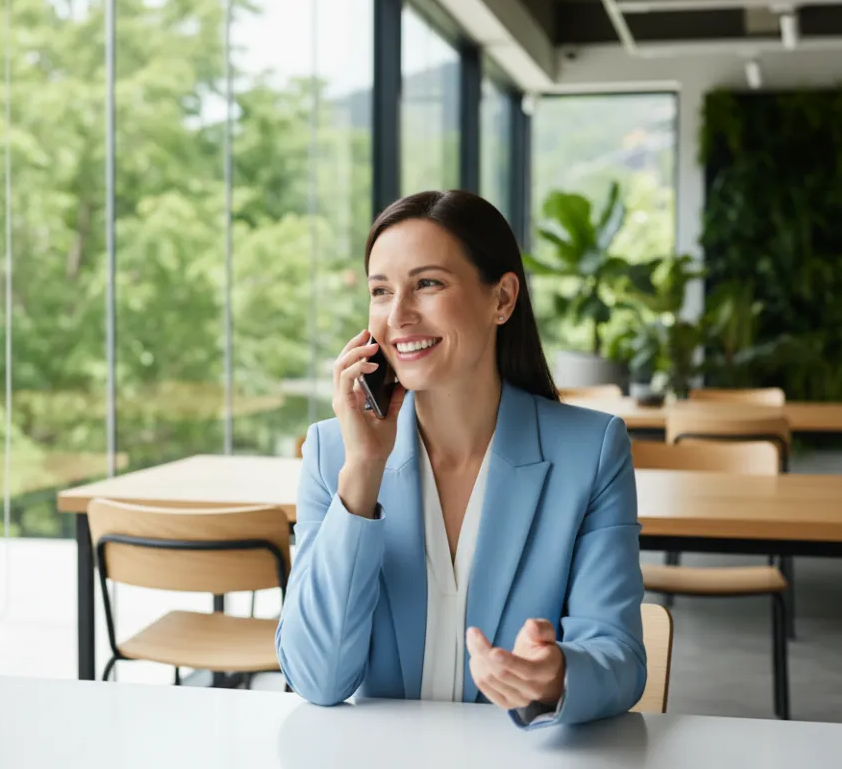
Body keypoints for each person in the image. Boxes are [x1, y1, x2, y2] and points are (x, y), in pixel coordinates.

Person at [275, 190, 646, 728]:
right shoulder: (333, 453)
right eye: (381, 291)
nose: (398, 315)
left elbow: (618, 656)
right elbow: (317, 679)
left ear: (502, 299)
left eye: (428, 284)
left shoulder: (591, 451)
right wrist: (363, 471)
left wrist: (555, 676)